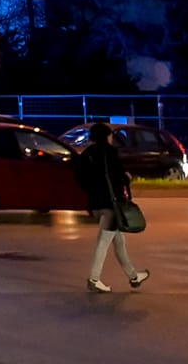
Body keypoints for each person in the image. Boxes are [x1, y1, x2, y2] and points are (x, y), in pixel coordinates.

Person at [76, 121, 150, 294]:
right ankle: (94, 279)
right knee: (103, 242)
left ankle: (134, 276)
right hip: (111, 204)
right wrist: (126, 178)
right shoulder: (109, 152)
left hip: (95, 204)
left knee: (119, 243)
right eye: (110, 135)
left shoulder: (87, 153)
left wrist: (92, 191)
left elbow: (80, 178)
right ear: (106, 136)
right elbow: (117, 175)